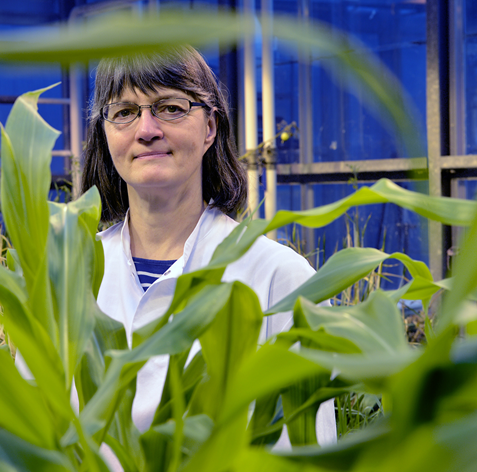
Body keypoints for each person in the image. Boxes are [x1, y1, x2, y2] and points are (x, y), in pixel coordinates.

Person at [78, 45, 335, 448]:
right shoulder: (69, 273)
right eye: (125, 112)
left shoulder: (280, 278)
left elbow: (305, 451)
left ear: (210, 128)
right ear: (106, 132)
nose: (146, 130)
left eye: (171, 107)